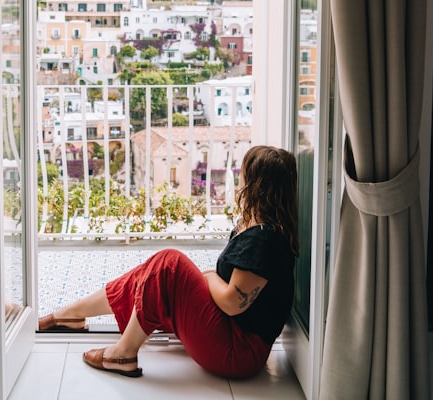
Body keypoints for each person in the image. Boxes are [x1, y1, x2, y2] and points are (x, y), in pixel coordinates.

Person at [38, 144, 299, 379]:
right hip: (229, 337)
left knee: (168, 264)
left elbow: (232, 303)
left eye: (243, 176)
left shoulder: (265, 240)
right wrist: (205, 278)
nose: (239, 181)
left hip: (237, 353)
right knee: (151, 272)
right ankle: (69, 315)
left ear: (256, 186)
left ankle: (123, 353)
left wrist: (206, 277)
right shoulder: (259, 228)